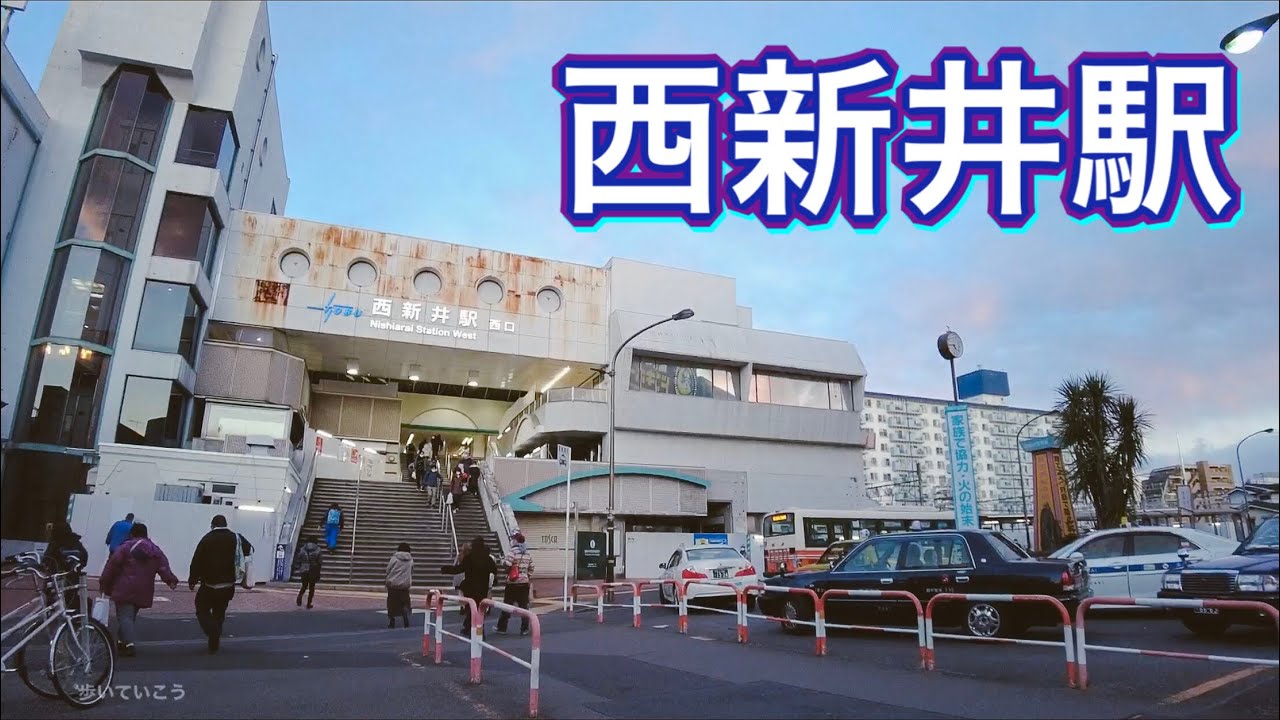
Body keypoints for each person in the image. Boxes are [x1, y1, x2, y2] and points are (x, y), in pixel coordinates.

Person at [99, 523, 178, 657]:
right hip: (144, 588)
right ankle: (121, 641)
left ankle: (129, 644)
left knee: (124, 616)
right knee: (130, 616)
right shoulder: (155, 550)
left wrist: (104, 582)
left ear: (132, 534)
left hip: (124, 586)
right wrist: (170, 580)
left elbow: (112, 566)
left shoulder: (125, 547)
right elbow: (163, 566)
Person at [189, 515, 242, 654]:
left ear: (213, 525)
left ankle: (212, 631)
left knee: (202, 609)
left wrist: (192, 579)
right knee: (220, 611)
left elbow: (197, 560)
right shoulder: (236, 537)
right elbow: (249, 550)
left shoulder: (207, 539)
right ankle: (214, 642)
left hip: (209, 584)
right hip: (228, 585)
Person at [441, 537, 497, 637]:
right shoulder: (488, 558)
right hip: (483, 588)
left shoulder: (470, 557)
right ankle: (479, 630)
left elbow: (459, 569)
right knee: (480, 609)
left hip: (470, 587)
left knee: (471, 608)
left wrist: (446, 569)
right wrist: (494, 581)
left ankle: (471, 629)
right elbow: (494, 570)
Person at [44, 521, 89, 612]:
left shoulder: (55, 542)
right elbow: (84, 556)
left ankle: (51, 616)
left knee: (52, 598)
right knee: (71, 597)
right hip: (72, 576)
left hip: (56, 576)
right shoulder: (75, 542)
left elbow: (47, 558)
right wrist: (78, 567)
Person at [496, 533, 534, 635]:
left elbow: (507, 564)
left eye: (513, 539)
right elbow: (531, 568)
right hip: (524, 583)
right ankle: (524, 628)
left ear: (516, 541)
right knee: (523, 606)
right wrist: (526, 575)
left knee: (507, 606)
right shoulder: (527, 553)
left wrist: (502, 561)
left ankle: (502, 628)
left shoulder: (512, 552)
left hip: (512, 583)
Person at [385, 542, 414, 628]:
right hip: (405, 585)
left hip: (393, 584)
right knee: (405, 600)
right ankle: (405, 610)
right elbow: (412, 571)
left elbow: (388, 569)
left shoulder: (394, 558)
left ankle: (392, 620)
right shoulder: (411, 560)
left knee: (391, 603)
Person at [293, 535, 323, 609]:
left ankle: (299, 597)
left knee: (304, 585)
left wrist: (300, 566)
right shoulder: (318, 549)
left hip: (304, 569)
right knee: (312, 588)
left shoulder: (302, 549)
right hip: (313, 570)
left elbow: (299, 558)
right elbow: (320, 561)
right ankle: (309, 603)